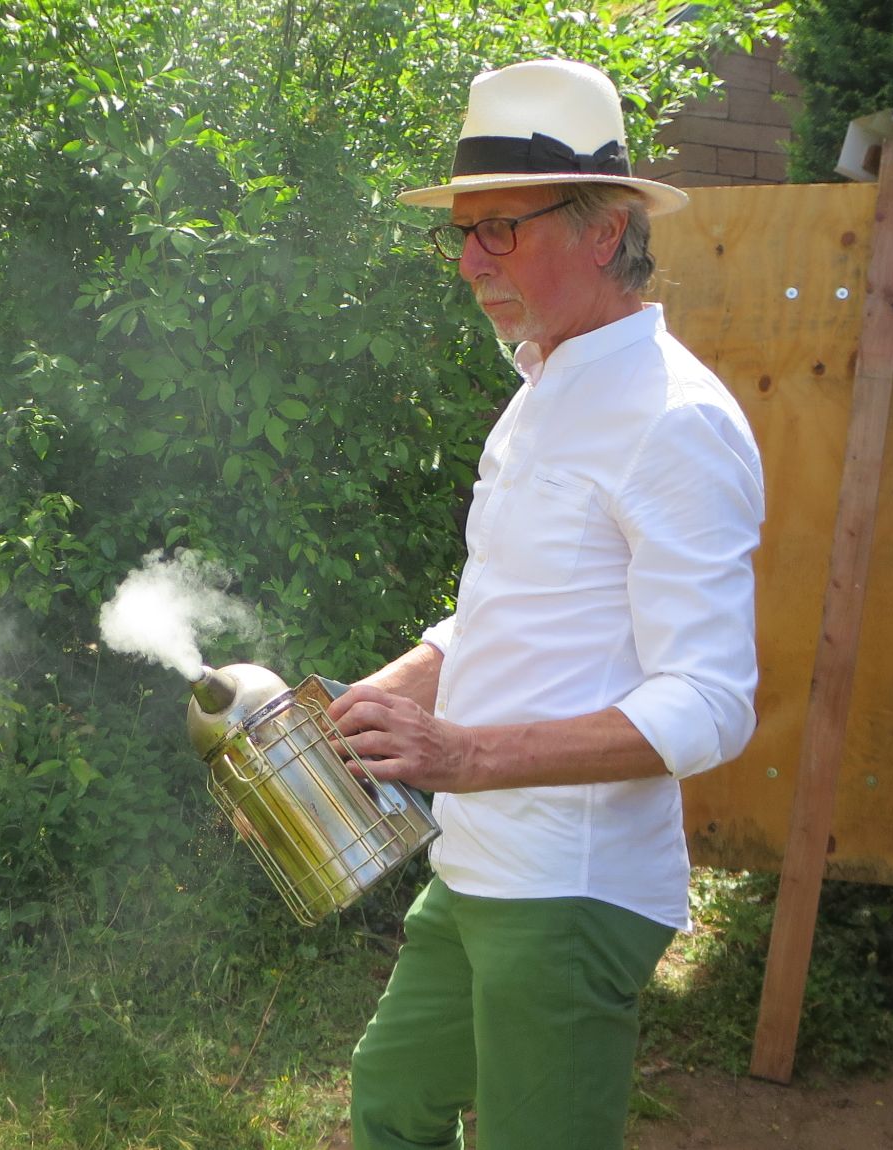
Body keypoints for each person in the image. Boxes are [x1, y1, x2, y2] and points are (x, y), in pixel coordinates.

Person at [326, 59, 766, 1150]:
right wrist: (390, 691)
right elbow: (507, 613)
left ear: (604, 228)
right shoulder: (538, 389)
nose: (471, 262)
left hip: (569, 890)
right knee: (391, 1101)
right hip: (476, 859)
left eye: (501, 230)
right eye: (462, 233)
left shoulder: (675, 420)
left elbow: (710, 703)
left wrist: (462, 754)